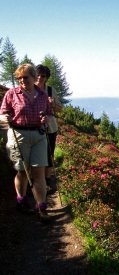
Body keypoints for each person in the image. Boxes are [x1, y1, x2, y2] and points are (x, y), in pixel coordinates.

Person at [0, 64, 53, 223]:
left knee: (39, 173)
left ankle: (41, 207)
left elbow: (50, 115)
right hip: (18, 134)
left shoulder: (42, 95)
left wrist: (46, 119)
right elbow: (2, 114)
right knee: (22, 172)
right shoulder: (11, 94)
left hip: (39, 135)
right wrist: (5, 118)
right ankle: (21, 200)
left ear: (34, 77)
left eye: (25, 77)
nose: (22, 80)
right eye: (19, 78)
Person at [35, 64, 62, 193]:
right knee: (36, 154)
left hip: (50, 126)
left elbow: (59, 109)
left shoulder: (50, 90)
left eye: (43, 76)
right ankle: (38, 181)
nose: (40, 78)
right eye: (38, 75)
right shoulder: (29, 89)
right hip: (34, 126)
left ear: (47, 78)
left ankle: (47, 179)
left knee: (49, 152)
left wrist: (53, 103)